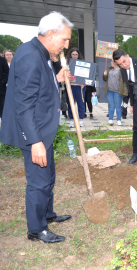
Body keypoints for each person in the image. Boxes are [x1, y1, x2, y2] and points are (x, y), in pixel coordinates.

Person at [0, 11, 73, 243]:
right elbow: (23, 104)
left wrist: (57, 78)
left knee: (48, 176)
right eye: (64, 40)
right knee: (38, 181)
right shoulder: (31, 56)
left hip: (43, 130)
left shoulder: (39, 53)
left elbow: (41, 85)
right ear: (50, 34)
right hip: (34, 132)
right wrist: (34, 142)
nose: (66, 45)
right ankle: (37, 229)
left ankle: (47, 214)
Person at [66, 48, 86, 128]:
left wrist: (84, 83)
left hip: (79, 87)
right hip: (70, 86)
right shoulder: (66, 64)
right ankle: (72, 120)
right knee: (71, 104)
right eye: (73, 54)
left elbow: (86, 74)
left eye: (76, 54)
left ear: (78, 55)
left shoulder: (82, 63)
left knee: (81, 103)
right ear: (70, 55)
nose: (75, 56)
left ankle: (81, 119)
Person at [103, 60, 128, 125]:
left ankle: (118, 120)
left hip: (118, 91)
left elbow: (125, 82)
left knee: (118, 106)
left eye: (112, 62)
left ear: (116, 63)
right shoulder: (109, 69)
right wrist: (105, 75)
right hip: (109, 91)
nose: (111, 63)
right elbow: (105, 79)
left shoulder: (122, 70)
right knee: (111, 105)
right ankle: (110, 120)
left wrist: (125, 92)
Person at [0, 55, 9, 123]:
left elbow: (7, 72)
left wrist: (3, 82)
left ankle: (3, 121)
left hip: (1, 88)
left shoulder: (2, 60)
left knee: (2, 104)